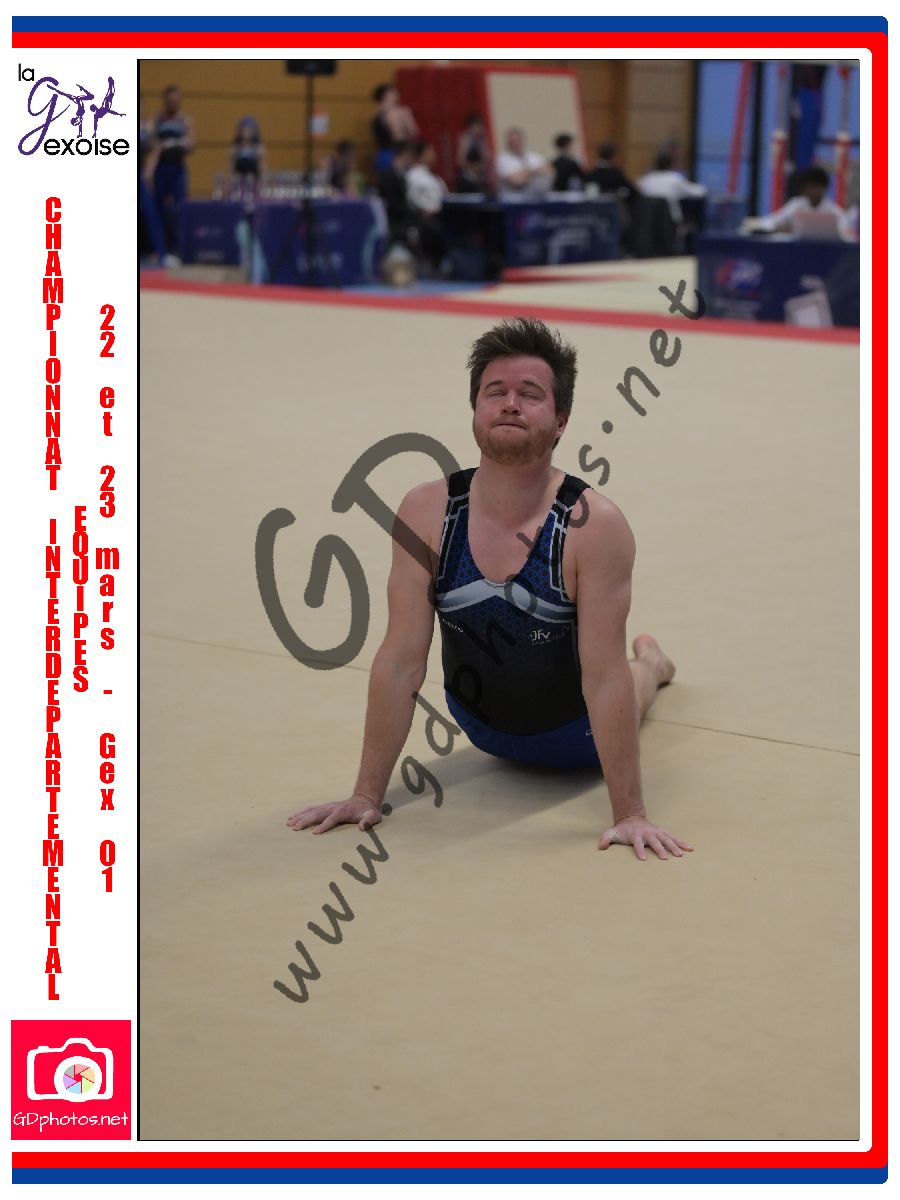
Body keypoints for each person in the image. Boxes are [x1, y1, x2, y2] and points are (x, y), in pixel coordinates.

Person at [287, 317, 693, 862]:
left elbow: (602, 678)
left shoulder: (593, 525)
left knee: (629, 676)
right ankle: (649, 661)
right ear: (475, 410)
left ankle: (653, 665)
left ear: (561, 420)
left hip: (578, 741)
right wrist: (366, 795)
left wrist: (630, 815)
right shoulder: (426, 510)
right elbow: (401, 660)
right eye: (494, 392)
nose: (510, 404)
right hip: (477, 727)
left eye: (531, 394)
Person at [744, 165, 851, 240]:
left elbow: (845, 235)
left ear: (825, 188)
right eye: (810, 186)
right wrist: (757, 225)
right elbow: (773, 221)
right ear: (804, 188)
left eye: (817, 187)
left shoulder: (834, 211)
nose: (813, 190)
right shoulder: (796, 205)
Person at [153, 85, 195, 254]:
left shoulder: (185, 120)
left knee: (180, 208)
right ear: (165, 101)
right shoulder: (157, 119)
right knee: (159, 208)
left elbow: (192, 144)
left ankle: (180, 247)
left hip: (177, 168)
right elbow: (152, 143)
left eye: (175, 100)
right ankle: (160, 248)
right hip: (161, 168)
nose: (173, 103)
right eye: (170, 101)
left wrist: (179, 144)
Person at [636, 150, 706, 224]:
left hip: (647, 222)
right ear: (671, 165)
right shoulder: (674, 178)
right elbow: (700, 192)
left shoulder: (646, 180)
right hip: (670, 222)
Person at [371, 83, 419, 173]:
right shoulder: (389, 114)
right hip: (391, 154)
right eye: (393, 92)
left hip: (397, 153)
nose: (397, 94)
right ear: (386, 95)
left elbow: (414, 132)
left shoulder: (401, 112)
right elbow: (398, 137)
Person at [495, 127, 553, 196]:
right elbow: (516, 181)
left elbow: (549, 172)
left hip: (537, 197)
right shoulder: (501, 159)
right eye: (512, 141)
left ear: (523, 141)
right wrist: (535, 171)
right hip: (513, 198)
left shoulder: (534, 156)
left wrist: (524, 174)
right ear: (508, 142)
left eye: (518, 141)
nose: (516, 144)